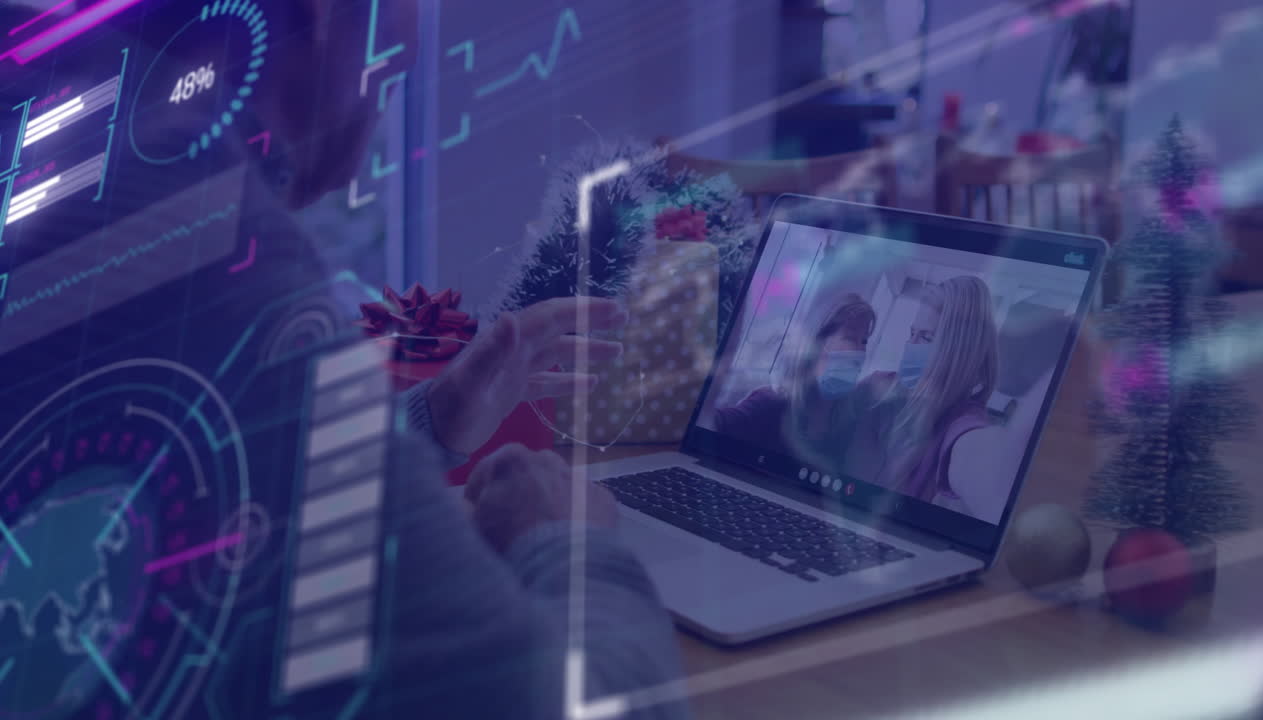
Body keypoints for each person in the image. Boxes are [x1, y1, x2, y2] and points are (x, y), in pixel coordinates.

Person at [0, 1, 686, 717]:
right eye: (390, 72)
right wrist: (567, 543)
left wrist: (427, 423)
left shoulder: (60, 134)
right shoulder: (190, 227)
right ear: (334, 19)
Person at [870, 276, 1002, 519]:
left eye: (926, 338)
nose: (910, 345)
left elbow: (981, 467)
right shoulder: (881, 383)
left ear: (959, 352)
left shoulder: (962, 424)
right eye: (912, 333)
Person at [714, 294, 877, 468]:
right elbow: (711, 426)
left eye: (864, 341)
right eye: (851, 338)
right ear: (821, 341)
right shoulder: (771, 405)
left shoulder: (844, 427)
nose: (860, 351)